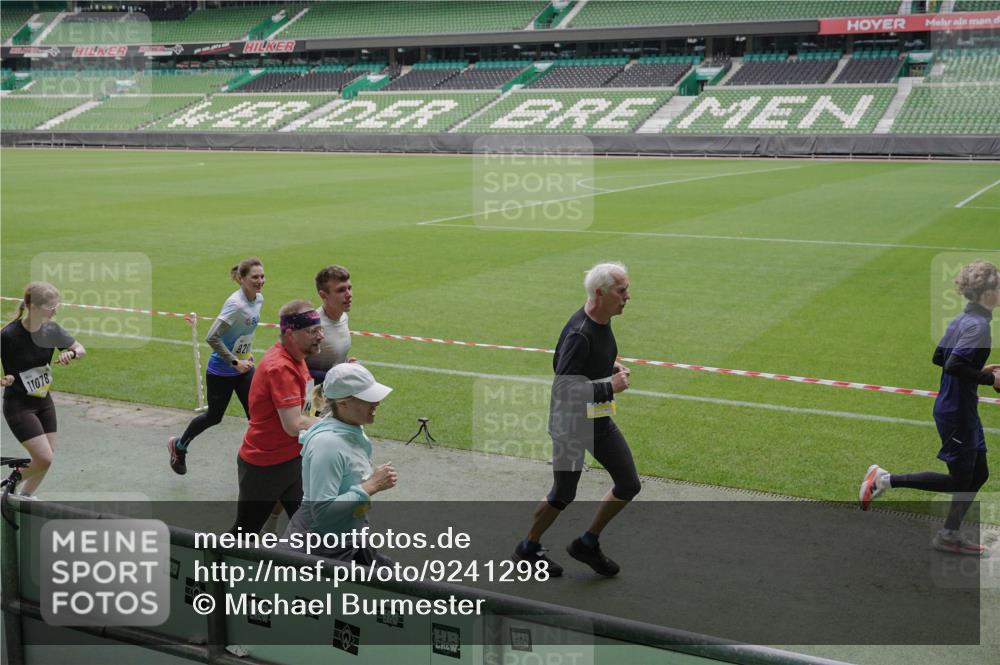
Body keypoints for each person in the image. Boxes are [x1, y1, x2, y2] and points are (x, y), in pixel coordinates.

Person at [860, 260, 999, 555]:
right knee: (959, 480)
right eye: (998, 286)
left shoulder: (964, 320)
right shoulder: (977, 327)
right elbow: (952, 363)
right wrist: (991, 378)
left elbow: (940, 357)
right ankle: (883, 480)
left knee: (979, 474)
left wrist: (979, 366)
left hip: (962, 408)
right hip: (956, 412)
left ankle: (950, 534)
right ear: (987, 292)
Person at [512, 262, 641, 577]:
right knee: (563, 493)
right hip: (570, 426)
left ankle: (588, 543)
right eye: (621, 290)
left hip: (597, 420)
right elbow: (564, 388)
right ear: (600, 293)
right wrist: (609, 386)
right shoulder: (580, 333)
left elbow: (571, 363)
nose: (628, 296)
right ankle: (528, 548)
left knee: (628, 483)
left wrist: (610, 365)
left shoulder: (600, 320)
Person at [285, 363, 396, 564]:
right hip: (320, 552)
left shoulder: (350, 427)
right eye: (368, 398)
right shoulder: (328, 444)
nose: (377, 403)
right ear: (343, 403)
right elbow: (322, 513)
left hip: (346, 538)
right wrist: (372, 485)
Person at [230, 300, 323, 534]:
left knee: (311, 527)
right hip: (265, 468)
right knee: (245, 532)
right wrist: (334, 424)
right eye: (313, 331)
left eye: (320, 329)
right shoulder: (280, 367)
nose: (320, 336)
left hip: (291, 460)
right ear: (291, 334)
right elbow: (293, 425)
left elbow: (304, 407)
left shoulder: (295, 357)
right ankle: (213, 568)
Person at [168, 258, 265, 475]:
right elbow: (211, 337)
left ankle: (257, 463)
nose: (260, 281)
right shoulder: (235, 305)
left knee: (257, 416)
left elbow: (244, 334)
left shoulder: (258, 299)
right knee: (214, 416)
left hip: (244, 369)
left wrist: (245, 358)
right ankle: (179, 446)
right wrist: (234, 361)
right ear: (241, 279)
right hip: (222, 371)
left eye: (262, 276)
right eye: (255, 277)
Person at [1, 282, 86, 495]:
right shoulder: (9, 335)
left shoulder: (52, 330)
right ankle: (7, 483)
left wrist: (71, 353)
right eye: (51, 307)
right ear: (34, 307)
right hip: (19, 406)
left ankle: (25, 497)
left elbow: (80, 349)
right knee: (44, 458)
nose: (55, 310)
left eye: (57, 305)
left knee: (46, 458)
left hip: (44, 402)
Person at [306, 265, 355, 386]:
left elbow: (330, 359)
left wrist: (347, 365)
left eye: (349, 288)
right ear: (323, 295)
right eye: (341, 290)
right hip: (313, 398)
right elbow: (291, 368)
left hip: (333, 393)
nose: (348, 294)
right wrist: (332, 375)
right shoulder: (312, 327)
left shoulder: (343, 317)